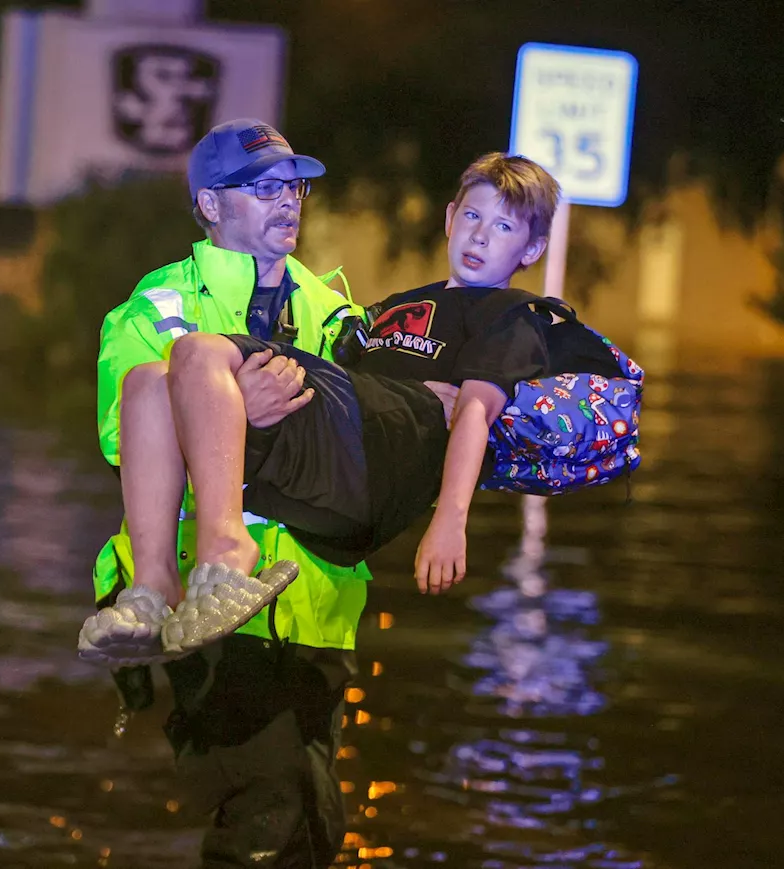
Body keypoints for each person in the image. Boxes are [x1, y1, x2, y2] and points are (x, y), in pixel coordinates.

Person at [90, 118, 435, 869]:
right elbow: (125, 437)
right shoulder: (159, 307)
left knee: (312, 814)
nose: (289, 201)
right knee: (269, 802)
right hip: (205, 609)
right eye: (264, 188)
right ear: (210, 205)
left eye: (294, 185)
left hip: (318, 607)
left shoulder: (336, 313)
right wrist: (237, 409)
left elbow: (367, 439)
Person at [86, 151, 561, 661]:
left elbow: (470, 415)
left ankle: (225, 551)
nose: (482, 235)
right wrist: (239, 407)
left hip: (345, 505)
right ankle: (154, 592)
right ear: (449, 218)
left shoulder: (508, 318)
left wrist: (450, 520)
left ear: (531, 248)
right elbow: (123, 439)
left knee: (198, 352)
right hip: (309, 476)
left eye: (504, 226)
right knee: (148, 381)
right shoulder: (389, 310)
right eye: (472, 216)